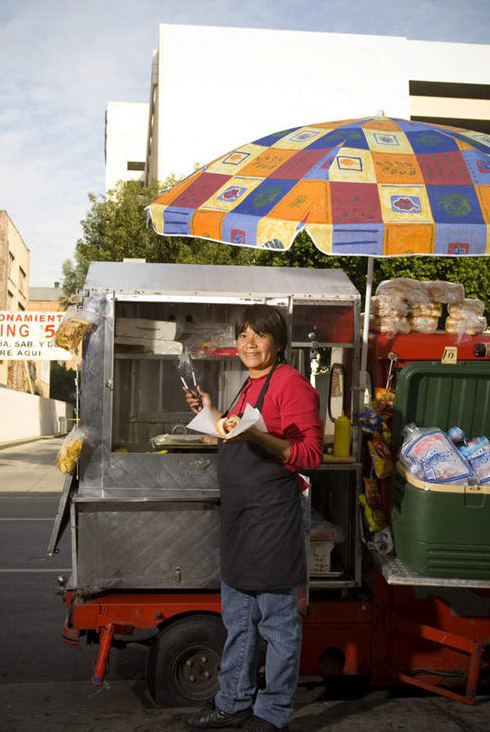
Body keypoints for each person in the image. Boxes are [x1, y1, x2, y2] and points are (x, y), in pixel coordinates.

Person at [183, 305, 323, 732]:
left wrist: (260, 436)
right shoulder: (248, 384)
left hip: (273, 518)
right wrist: (209, 412)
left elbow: (309, 456)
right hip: (241, 517)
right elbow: (231, 433)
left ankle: (273, 712)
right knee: (238, 619)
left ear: (277, 341)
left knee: (278, 623)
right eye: (242, 335)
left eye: (258, 336)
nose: (248, 344)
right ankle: (233, 702)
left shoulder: (291, 384)